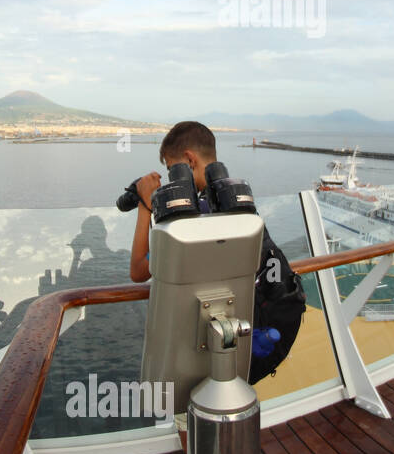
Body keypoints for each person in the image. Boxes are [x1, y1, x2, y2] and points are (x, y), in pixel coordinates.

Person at [125, 121, 304, 385]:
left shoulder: (195, 216)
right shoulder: (236, 204)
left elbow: (138, 271)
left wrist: (146, 205)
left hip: (215, 345)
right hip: (253, 333)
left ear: (189, 160)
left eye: (172, 169)